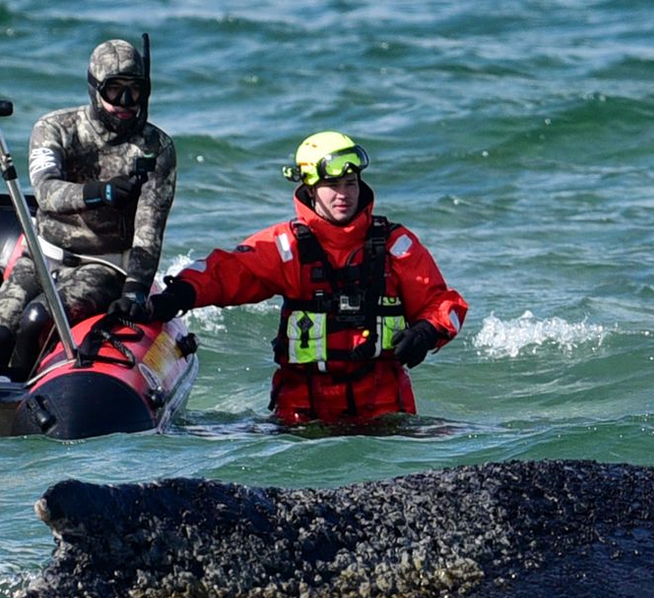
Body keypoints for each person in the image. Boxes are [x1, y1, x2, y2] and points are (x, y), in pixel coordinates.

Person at [135, 130, 467, 425]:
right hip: (302, 418)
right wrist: (176, 296)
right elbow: (225, 273)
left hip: (386, 414)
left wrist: (427, 331)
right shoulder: (285, 247)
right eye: (332, 186)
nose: (343, 194)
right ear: (310, 189)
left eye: (350, 183)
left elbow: (443, 304)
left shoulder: (396, 245)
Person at [0, 36, 176, 376]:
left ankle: (23, 395)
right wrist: (100, 193)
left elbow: (150, 226)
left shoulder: (155, 148)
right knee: (2, 330)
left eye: (135, 91)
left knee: (36, 319)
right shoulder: (55, 129)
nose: (125, 103)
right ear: (95, 89)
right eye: (115, 91)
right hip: (41, 258)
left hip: (104, 266)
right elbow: (46, 191)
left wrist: (136, 290)